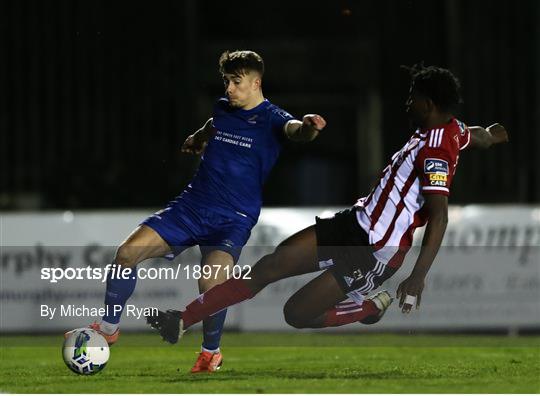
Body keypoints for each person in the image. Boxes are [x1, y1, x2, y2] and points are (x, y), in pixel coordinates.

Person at [146, 63, 509, 345]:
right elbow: (474, 135)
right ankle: (182, 319)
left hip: (375, 250)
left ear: (428, 104)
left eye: (412, 96)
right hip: (353, 222)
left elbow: (439, 216)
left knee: (296, 313)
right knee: (271, 264)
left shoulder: (436, 151)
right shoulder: (451, 131)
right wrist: (493, 135)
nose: (406, 101)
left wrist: (417, 277)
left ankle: (368, 307)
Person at [65, 50, 326, 373]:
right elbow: (213, 123)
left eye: (236, 82)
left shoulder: (272, 118)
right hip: (191, 207)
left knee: (211, 285)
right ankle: (108, 328)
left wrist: (311, 127)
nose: (229, 88)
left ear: (256, 82)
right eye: (226, 81)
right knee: (127, 253)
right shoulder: (223, 108)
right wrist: (198, 137)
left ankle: (210, 352)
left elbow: (296, 130)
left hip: (233, 219)